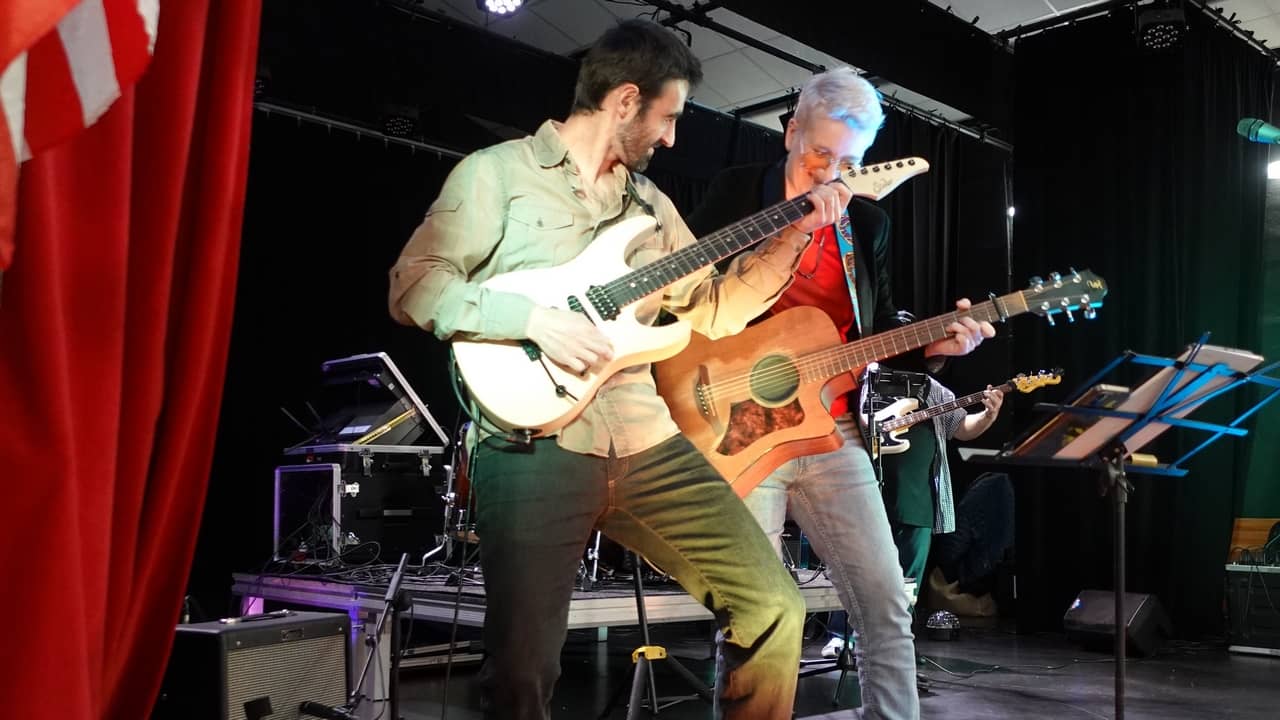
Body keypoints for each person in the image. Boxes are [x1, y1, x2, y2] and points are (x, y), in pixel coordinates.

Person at [388, 19, 853, 720]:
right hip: (530, 447)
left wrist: (795, 232)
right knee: (522, 670)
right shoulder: (497, 174)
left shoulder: (654, 209)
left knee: (773, 605)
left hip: (645, 443)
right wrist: (533, 320)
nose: (671, 138)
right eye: (668, 116)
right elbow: (413, 285)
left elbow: (719, 309)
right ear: (627, 100)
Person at [686, 67, 995, 720]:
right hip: (741, 425)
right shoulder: (737, 192)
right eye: (821, 152)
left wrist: (934, 344)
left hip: (831, 430)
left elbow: (873, 332)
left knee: (886, 600)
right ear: (792, 132)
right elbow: (685, 304)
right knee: (761, 612)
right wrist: (792, 230)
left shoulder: (868, 225)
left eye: (849, 161)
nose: (832, 172)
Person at [822, 365, 1005, 658]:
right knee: (853, 569)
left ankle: (895, 645)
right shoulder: (858, 379)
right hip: (860, 493)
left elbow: (962, 428)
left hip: (915, 499)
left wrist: (988, 414)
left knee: (906, 579)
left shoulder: (931, 388)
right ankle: (839, 636)